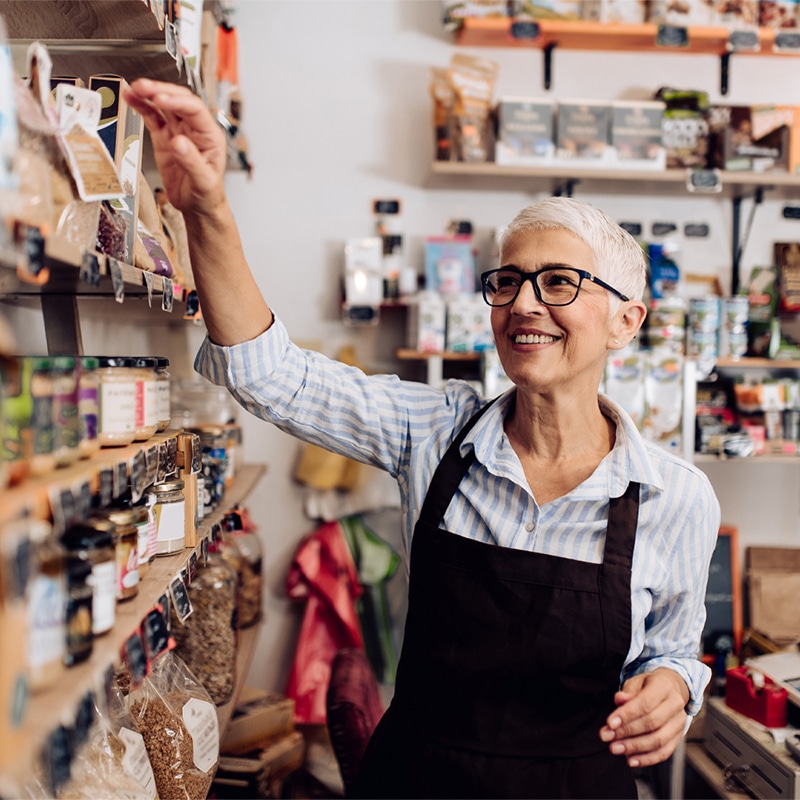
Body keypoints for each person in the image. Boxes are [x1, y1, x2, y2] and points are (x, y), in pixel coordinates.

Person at [124, 78, 720, 799]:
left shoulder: (676, 496)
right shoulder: (436, 431)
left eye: (559, 282)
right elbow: (266, 373)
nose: (524, 303)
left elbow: (673, 653)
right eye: (508, 282)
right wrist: (207, 208)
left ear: (628, 320)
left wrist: (676, 688)